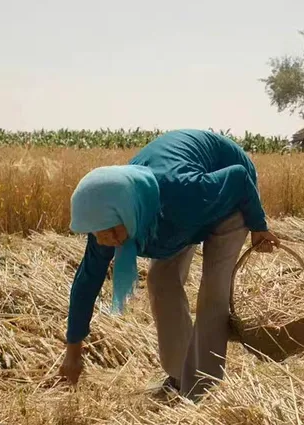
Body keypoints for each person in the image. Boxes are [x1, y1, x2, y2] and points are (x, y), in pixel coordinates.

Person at [58, 129, 280, 403]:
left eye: (112, 231)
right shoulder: (109, 218)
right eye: (100, 234)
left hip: (229, 197)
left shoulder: (183, 193)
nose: (110, 241)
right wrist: (73, 352)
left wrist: (259, 226)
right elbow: (86, 282)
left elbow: (237, 178)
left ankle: (202, 390)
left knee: (213, 291)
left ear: (127, 211)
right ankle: (178, 377)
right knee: (160, 281)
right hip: (173, 216)